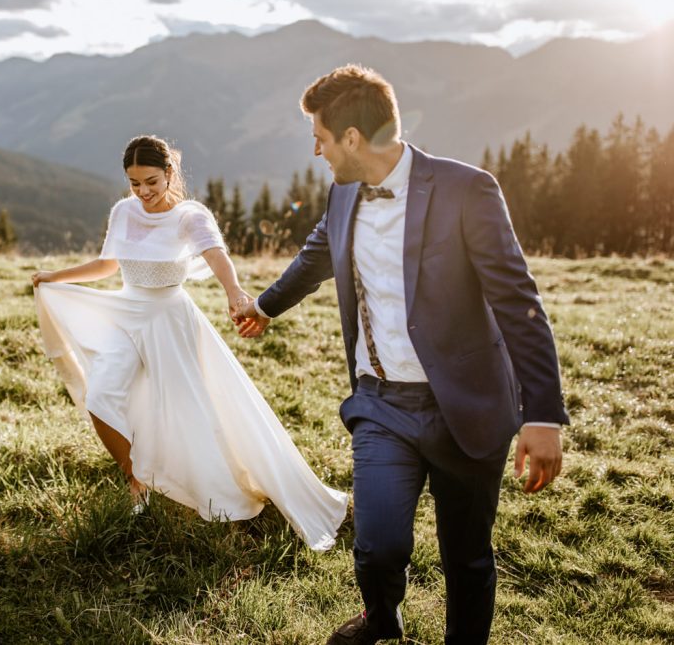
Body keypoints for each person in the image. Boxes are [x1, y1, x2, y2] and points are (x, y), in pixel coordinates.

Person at [233, 65, 568, 644]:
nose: (316, 150)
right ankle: (381, 619)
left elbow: (519, 304)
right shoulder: (343, 192)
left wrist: (543, 414)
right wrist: (265, 307)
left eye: (320, 137)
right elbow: (317, 255)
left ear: (352, 138)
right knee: (377, 545)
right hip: (381, 403)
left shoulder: (467, 190)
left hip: (466, 404)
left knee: (466, 555)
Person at [32, 135, 348, 550]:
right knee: (101, 396)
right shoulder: (123, 211)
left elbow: (216, 255)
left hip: (169, 319)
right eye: (134, 183)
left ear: (169, 173)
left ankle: (213, 489)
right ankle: (136, 479)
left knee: (186, 408)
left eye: (151, 182)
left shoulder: (190, 216)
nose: (143, 192)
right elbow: (108, 264)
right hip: (126, 315)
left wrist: (235, 293)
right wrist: (55, 277)